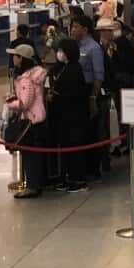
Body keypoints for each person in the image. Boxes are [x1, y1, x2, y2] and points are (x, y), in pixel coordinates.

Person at [5, 44, 49, 199]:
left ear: (22, 58)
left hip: (30, 119)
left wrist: (9, 103)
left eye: (15, 56)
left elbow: (25, 103)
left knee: (30, 155)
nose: (13, 59)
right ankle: (38, 183)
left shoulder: (26, 79)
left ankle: (32, 186)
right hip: (39, 118)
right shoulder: (35, 75)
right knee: (36, 154)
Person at [50, 39, 90, 192]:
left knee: (75, 147)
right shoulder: (63, 68)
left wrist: (58, 94)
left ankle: (78, 179)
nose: (59, 53)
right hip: (64, 116)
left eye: (62, 50)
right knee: (66, 146)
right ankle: (68, 177)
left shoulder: (74, 69)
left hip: (74, 116)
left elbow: (74, 93)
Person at [71, 14, 104, 185]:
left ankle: (93, 168)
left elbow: (99, 76)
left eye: (76, 26)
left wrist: (93, 97)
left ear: (85, 29)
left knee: (91, 133)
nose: (73, 29)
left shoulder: (93, 48)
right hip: (76, 94)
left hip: (89, 92)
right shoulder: (74, 47)